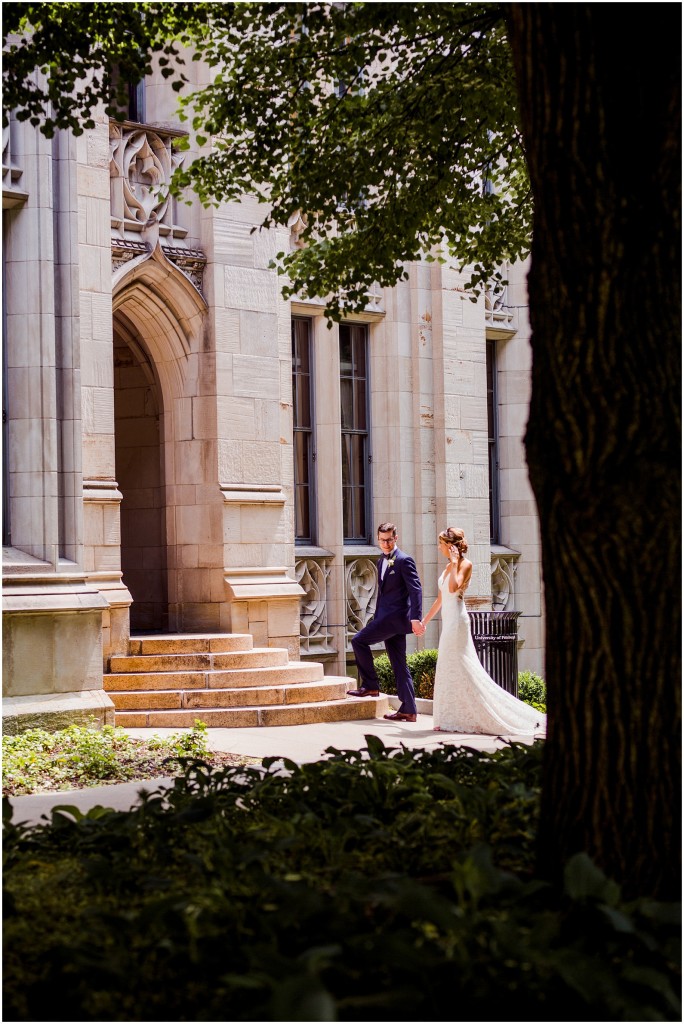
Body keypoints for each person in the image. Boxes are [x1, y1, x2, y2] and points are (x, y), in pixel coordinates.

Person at [419, 527, 546, 735]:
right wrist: (425, 620)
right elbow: (441, 598)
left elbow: (454, 588)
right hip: (449, 621)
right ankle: (450, 716)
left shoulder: (465, 565)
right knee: (449, 666)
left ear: (451, 546)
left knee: (461, 666)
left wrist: (453, 563)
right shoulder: (447, 567)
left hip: (458, 623)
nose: (438, 547)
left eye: (441, 543)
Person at [347, 522, 423, 722]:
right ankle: (409, 709)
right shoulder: (382, 561)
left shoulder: (404, 560)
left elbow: (416, 590)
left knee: (358, 641)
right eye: (382, 540)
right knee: (399, 664)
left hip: (395, 619)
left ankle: (370, 686)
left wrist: (415, 618)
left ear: (396, 538)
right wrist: (377, 614)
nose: (386, 544)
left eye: (389, 540)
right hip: (387, 618)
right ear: (378, 540)